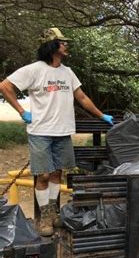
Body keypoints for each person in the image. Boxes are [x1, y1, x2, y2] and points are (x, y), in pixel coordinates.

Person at [0, 27, 114, 236]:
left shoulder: (67, 72)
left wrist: (101, 115)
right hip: (40, 131)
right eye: (63, 42)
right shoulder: (33, 70)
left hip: (62, 132)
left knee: (57, 173)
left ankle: (53, 213)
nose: (66, 45)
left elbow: (81, 97)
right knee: (42, 175)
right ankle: (44, 215)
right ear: (52, 46)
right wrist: (22, 111)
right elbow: (5, 86)